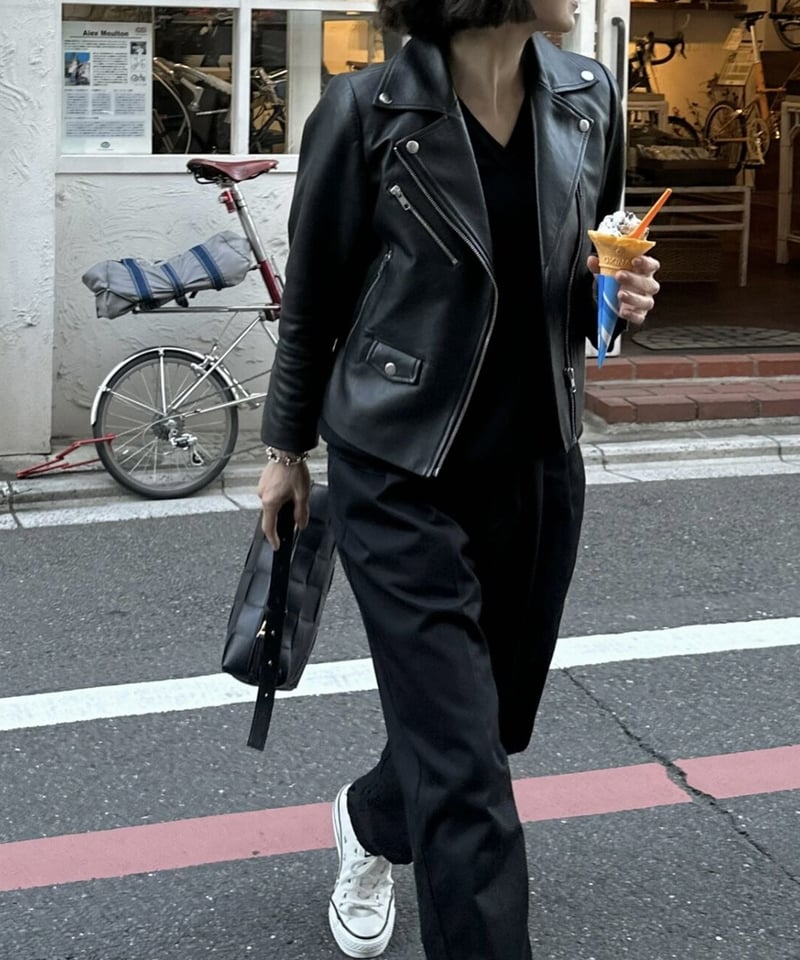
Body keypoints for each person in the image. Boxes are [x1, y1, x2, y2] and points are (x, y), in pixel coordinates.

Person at [256, 1, 660, 958]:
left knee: (495, 725)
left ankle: (370, 817)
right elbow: (313, 298)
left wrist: (621, 295)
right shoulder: (364, 112)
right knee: (466, 771)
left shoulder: (587, 95)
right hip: (399, 470)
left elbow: (580, 271)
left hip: (538, 462)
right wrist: (285, 451)